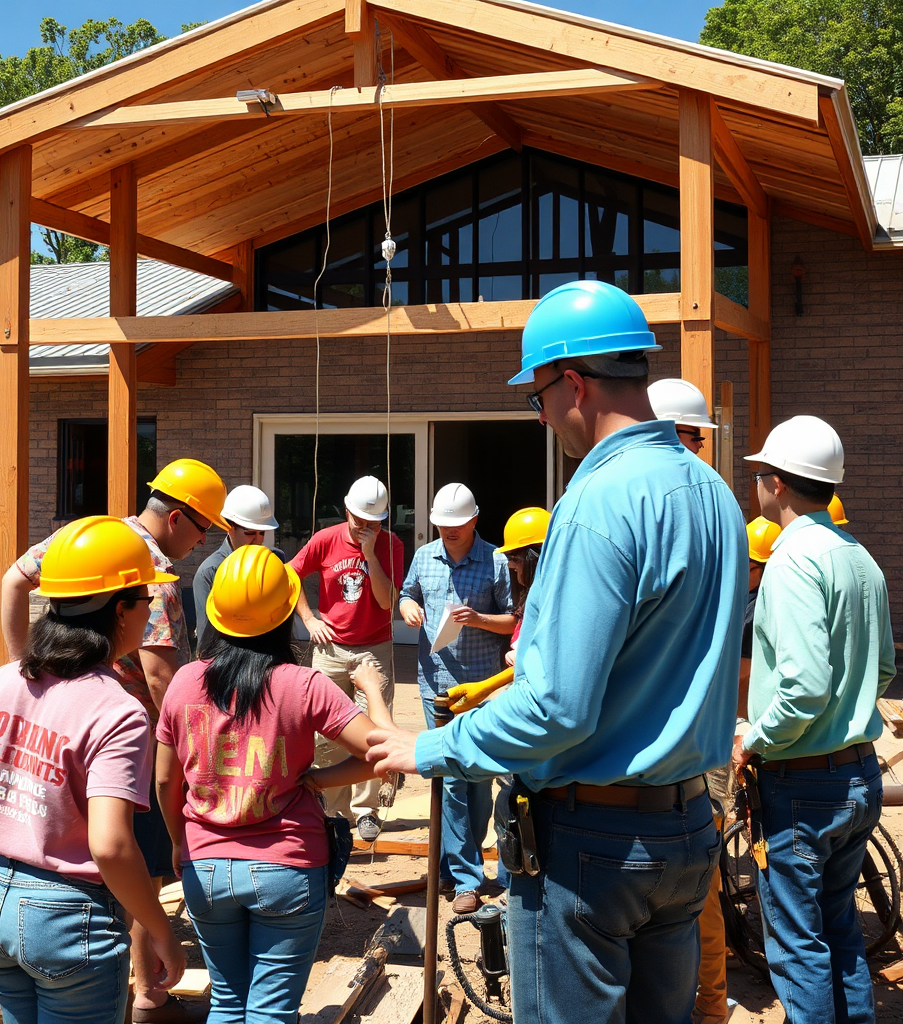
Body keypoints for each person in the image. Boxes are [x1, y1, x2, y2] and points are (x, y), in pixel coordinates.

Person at [369, 280, 747, 1024]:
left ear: (572, 383)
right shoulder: (712, 493)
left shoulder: (598, 500)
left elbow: (556, 707)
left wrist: (435, 747)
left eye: (536, 397)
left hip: (594, 844)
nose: (539, 415)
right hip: (686, 830)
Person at [0, 515, 187, 1024]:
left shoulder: (1, 683)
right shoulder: (117, 711)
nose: (151, 611)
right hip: (67, 919)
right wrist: (162, 933)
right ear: (122, 610)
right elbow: (110, 845)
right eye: (148, 600)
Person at [0, 457, 228, 1024]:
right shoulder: (147, 573)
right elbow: (159, 677)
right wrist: (198, 746)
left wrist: (21, 669)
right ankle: (146, 991)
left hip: (57, 722)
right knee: (136, 859)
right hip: (124, 735)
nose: (200, 546)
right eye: (203, 532)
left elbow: (11, 579)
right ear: (178, 518)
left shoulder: (88, 537)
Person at [155, 545, 392, 1024]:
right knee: (271, 1012)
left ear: (216, 616)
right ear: (288, 616)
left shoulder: (183, 682)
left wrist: (179, 842)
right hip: (288, 867)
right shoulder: (303, 684)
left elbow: (165, 779)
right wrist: (369, 689)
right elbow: (383, 753)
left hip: (207, 867)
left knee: (226, 1003)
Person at [734, 415, 895, 1024]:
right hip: (857, 775)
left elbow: (802, 687)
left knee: (799, 947)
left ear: (774, 483)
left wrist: (756, 738)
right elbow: (882, 669)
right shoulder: (859, 557)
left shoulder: (793, 561)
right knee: (840, 930)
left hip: (803, 784)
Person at [399, 482, 515, 915]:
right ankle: (464, 877)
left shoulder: (496, 562)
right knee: (450, 783)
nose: (448, 532)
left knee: (480, 780)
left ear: (474, 521)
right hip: (437, 687)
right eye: (441, 525)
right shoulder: (424, 557)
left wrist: (479, 618)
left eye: (456, 526)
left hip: (483, 689)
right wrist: (407, 607)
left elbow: (512, 623)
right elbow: (408, 593)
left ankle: (461, 863)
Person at [693, 515, 781, 1024]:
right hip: (726, 736)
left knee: (703, 874)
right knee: (710, 869)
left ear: (753, 566)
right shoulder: (750, 601)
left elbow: (737, 677)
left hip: (724, 740)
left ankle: (711, 999)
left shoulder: (749, 611)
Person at [290, 475, 404, 842]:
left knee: (372, 729)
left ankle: (366, 810)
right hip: (330, 648)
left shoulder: (391, 546)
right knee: (326, 732)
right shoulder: (325, 539)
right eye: (359, 522)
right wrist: (308, 619)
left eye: (374, 524)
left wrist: (370, 555)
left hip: (374, 646)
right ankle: (332, 809)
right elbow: (288, 575)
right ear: (346, 510)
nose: (365, 529)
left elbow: (387, 604)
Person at [193, 485, 284, 657]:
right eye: (250, 533)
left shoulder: (274, 562)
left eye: (262, 533)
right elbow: (206, 641)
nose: (258, 540)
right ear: (229, 527)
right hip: (229, 663)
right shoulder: (210, 571)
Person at [497, 507, 549, 669]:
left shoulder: (552, 599)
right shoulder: (535, 594)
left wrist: (523, 653)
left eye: (515, 558)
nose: (510, 564)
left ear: (535, 559)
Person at [648, 377, 718, 455]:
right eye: (696, 436)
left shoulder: (635, 462)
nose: (700, 445)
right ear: (671, 434)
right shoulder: (691, 466)